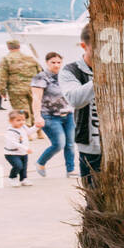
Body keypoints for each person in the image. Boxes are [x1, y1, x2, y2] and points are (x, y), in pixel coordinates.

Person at [57, 25, 101, 183]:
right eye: (99, 46)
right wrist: (102, 76)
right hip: (90, 146)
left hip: (121, 145)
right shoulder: (71, 71)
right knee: (94, 195)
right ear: (84, 45)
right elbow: (75, 99)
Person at [30, 52, 76, 177]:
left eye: (59, 62)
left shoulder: (65, 76)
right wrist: (37, 116)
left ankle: (70, 170)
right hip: (49, 116)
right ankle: (40, 162)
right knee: (59, 144)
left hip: (68, 114)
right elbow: (36, 98)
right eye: (53, 62)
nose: (56, 65)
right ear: (47, 63)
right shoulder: (41, 77)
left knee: (70, 144)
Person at [0, 40, 42, 133]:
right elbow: (40, 72)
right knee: (34, 109)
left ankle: (26, 132)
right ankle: (39, 131)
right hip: (32, 88)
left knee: (22, 111)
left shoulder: (6, 59)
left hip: (16, 90)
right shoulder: (30, 58)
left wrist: (2, 90)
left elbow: (2, 76)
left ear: (8, 47)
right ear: (19, 46)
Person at [2, 110, 34, 187]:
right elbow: (14, 143)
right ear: (11, 121)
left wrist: (37, 126)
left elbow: (29, 132)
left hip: (23, 152)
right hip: (12, 153)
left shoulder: (23, 127)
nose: (21, 122)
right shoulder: (10, 131)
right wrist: (26, 148)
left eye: (23, 120)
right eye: (18, 120)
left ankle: (23, 179)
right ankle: (12, 177)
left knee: (24, 167)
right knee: (18, 166)